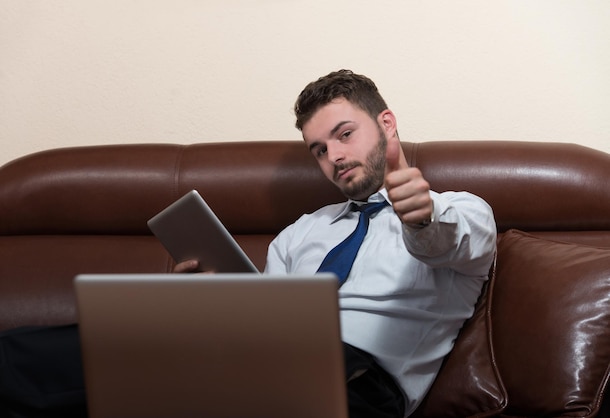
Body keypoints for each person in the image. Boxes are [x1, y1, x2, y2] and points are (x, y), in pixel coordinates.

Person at [176, 69, 497, 417]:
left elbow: (443, 242)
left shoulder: (462, 209)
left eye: (345, 134)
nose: (334, 157)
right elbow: (266, 326)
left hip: (362, 383)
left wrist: (420, 218)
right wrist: (212, 308)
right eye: (319, 150)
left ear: (386, 124)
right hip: (271, 366)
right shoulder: (298, 233)